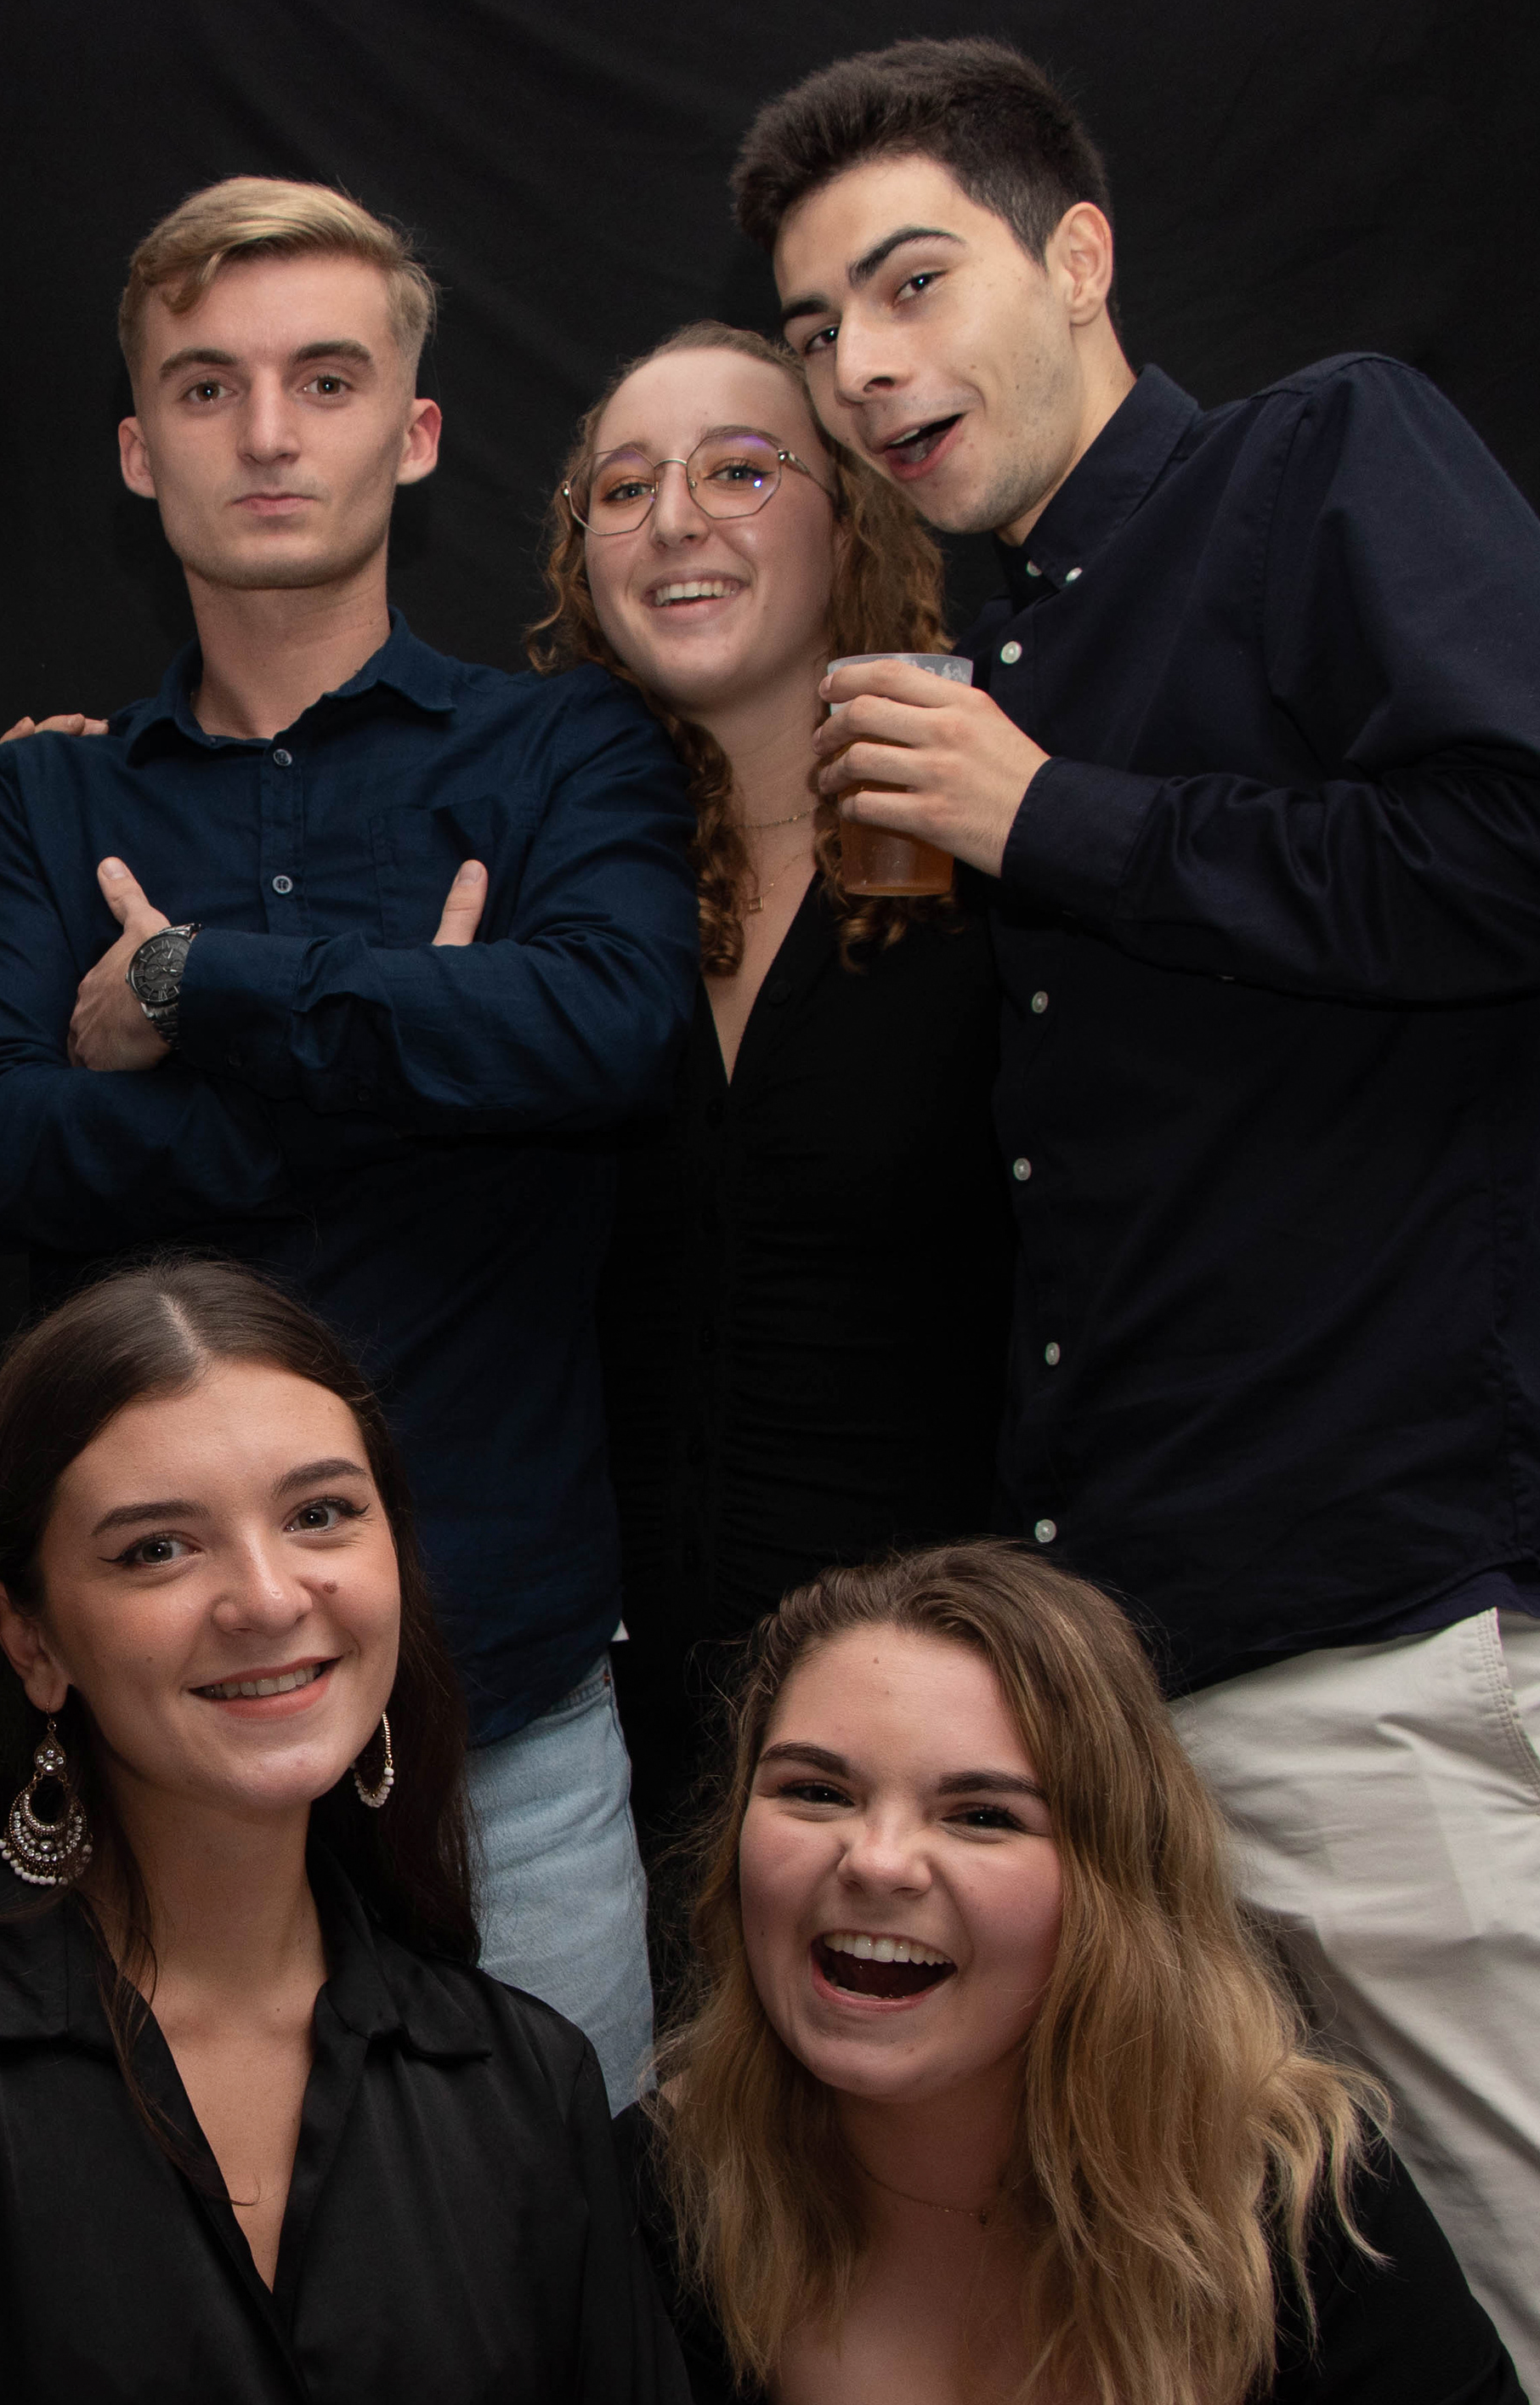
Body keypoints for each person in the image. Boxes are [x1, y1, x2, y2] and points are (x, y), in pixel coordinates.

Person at [731, 39, 1540, 2405]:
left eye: (911, 280)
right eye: (817, 326)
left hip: (1394, 1631)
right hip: (1125, 1706)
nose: (862, 364)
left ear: (1078, 258)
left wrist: (1047, 813)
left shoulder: (1321, 461)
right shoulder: (988, 641)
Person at [0, 180, 699, 2107]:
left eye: (326, 380)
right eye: (207, 388)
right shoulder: (49, 797)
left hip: (506, 1731)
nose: (268, 433)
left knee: (569, 2251)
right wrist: (412, 1050)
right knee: (155, 2271)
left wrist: (194, 984)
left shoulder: (566, 753)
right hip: (146, 1743)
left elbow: (617, 1034)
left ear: (414, 433)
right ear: (139, 449)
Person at [0, 1256, 765, 2405]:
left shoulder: (523, 2076)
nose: (269, 1595)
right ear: (29, 1638)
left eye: (322, 1513)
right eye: (158, 1548)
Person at [633, 1541, 1540, 2405]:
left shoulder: (1288, 2187)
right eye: (815, 1792)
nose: (878, 1860)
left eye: (983, 1815)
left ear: (1113, 1881)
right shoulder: (662, 2195)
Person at [529, 321, 1008, 1856]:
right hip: (602, 1753)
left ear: (852, 515)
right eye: (624, 487)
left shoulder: (999, 845)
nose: (675, 519)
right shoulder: (555, 875)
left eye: (739, 471)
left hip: (938, 1744)